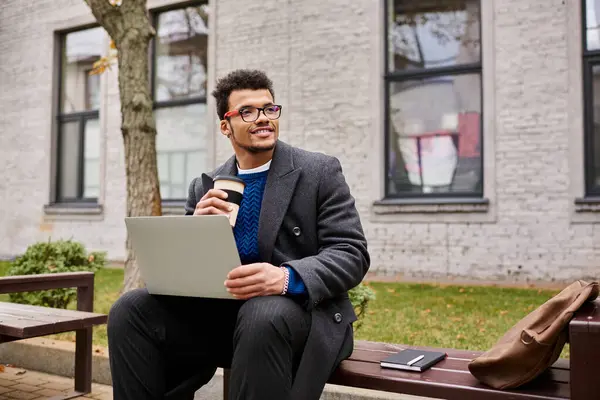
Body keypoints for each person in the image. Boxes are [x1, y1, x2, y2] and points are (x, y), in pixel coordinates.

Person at [107, 69, 370, 400]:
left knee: (261, 312)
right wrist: (196, 230)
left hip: (300, 315)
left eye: (269, 109)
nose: (263, 118)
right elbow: (192, 277)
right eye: (248, 111)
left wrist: (285, 278)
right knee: (129, 309)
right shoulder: (206, 185)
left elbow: (351, 253)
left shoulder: (319, 172)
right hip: (225, 319)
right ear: (225, 126)